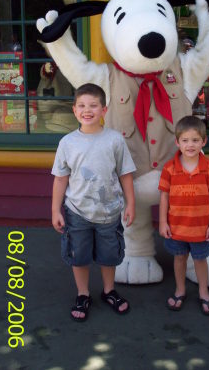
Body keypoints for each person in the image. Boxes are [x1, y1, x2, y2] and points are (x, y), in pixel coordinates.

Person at [51, 83, 136, 322]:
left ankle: (109, 290)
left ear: (104, 110)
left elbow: (125, 173)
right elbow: (60, 179)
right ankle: (83, 293)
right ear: (74, 110)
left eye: (93, 105)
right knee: (79, 255)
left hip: (109, 212)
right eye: (81, 106)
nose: (87, 110)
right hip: (77, 212)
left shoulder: (115, 140)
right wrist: (55, 209)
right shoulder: (67, 143)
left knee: (109, 255)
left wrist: (131, 204)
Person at [158, 116, 209, 315]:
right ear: (177, 142)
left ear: (204, 141)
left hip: (201, 229)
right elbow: (164, 197)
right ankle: (180, 289)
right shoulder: (169, 168)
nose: (190, 145)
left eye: (195, 140)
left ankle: (203, 292)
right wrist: (162, 222)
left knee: (200, 260)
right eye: (185, 140)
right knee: (179, 259)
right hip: (176, 227)